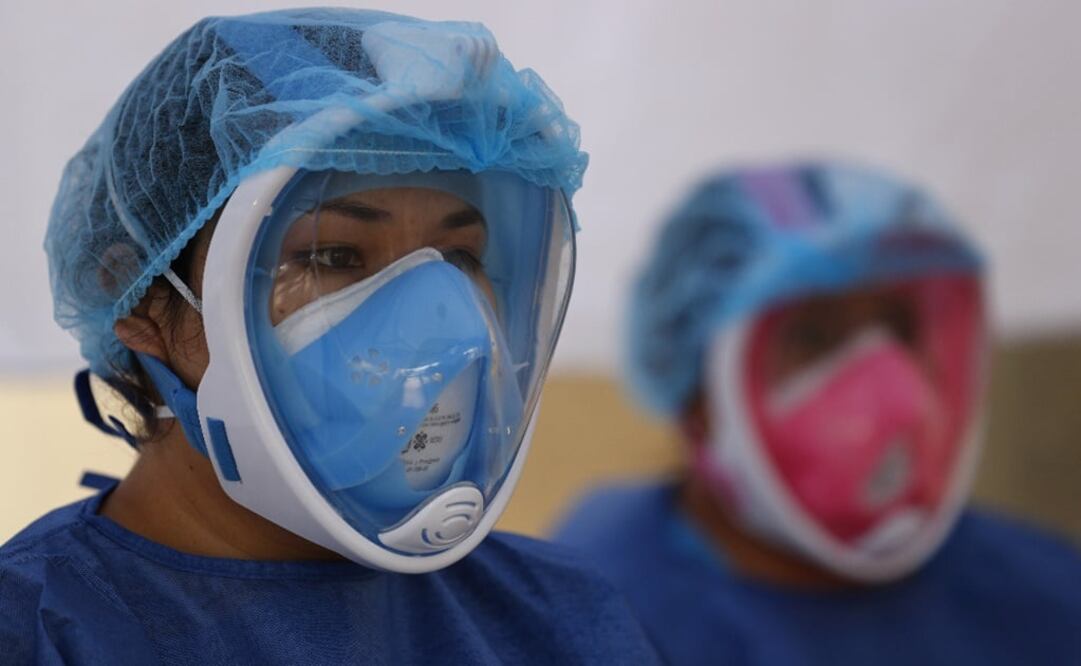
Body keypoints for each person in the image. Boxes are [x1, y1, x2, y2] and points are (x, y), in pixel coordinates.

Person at [0, 9, 660, 664]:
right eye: (334, 256)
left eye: (460, 259)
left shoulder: (563, 618)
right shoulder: (39, 633)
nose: (437, 323)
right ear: (143, 296)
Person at [553, 162, 1081, 665]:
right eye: (813, 335)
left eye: (899, 328)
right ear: (698, 389)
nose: (886, 383)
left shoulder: (1041, 592)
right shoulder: (588, 617)